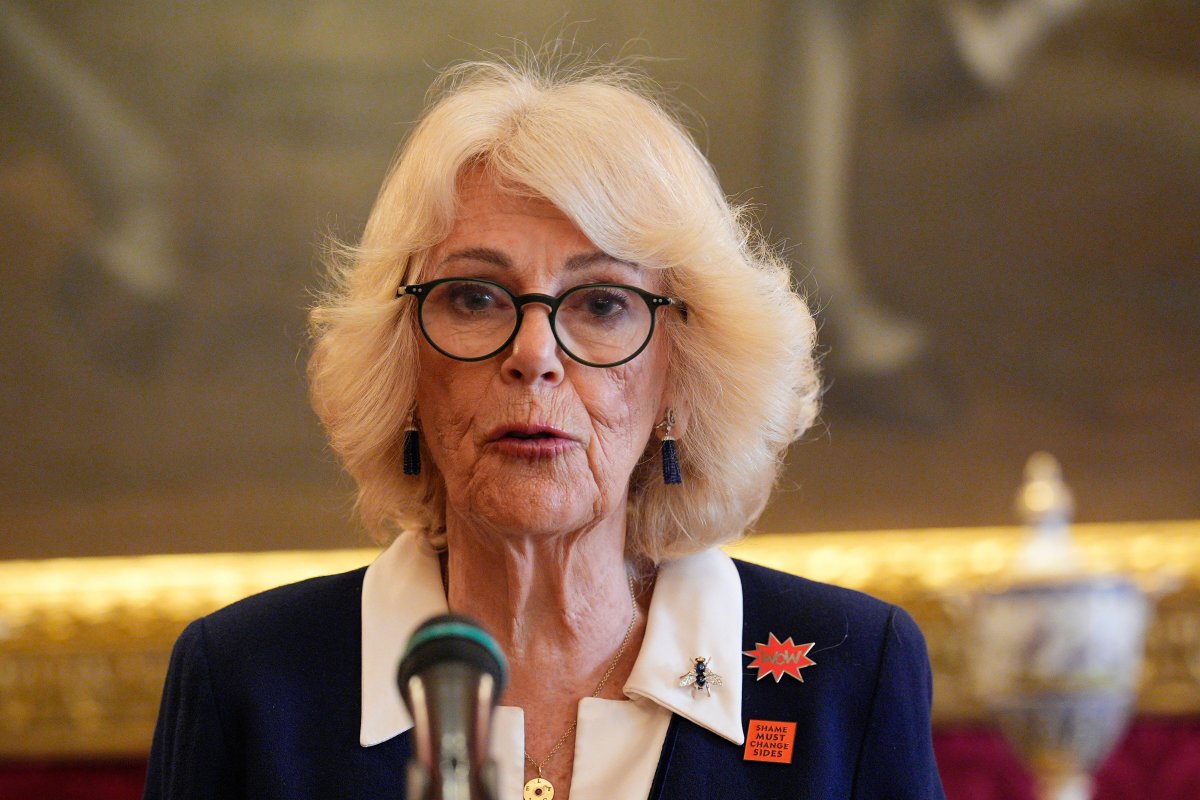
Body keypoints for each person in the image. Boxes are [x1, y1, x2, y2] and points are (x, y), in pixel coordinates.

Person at [144, 55, 945, 800]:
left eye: (601, 303)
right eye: (474, 298)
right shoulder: (247, 680)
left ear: (681, 372)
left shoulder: (850, 671)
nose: (534, 355)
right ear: (403, 363)